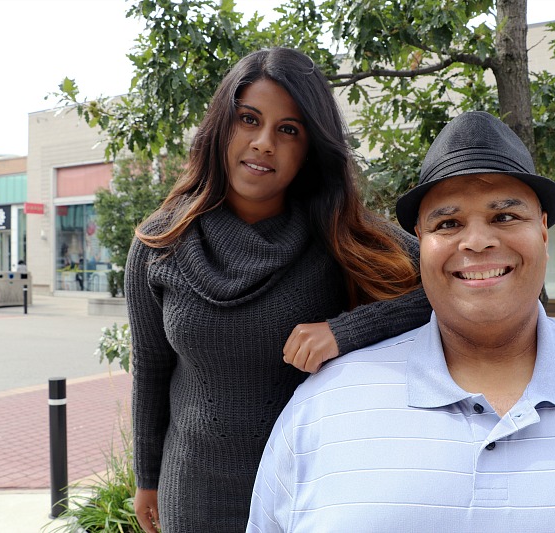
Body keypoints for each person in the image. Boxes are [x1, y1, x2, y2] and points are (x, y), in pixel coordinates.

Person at [248, 111, 555, 531]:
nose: (476, 241)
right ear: (421, 241)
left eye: (503, 216)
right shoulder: (324, 407)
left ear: (542, 228)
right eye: (448, 224)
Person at [125, 47, 432, 532]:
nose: (263, 142)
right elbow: (150, 368)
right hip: (196, 491)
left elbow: (451, 286)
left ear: (309, 149)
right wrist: (147, 478)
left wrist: (345, 330)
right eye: (249, 119)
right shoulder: (160, 243)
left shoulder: (338, 233)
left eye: (288, 130)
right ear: (221, 128)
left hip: (312, 488)